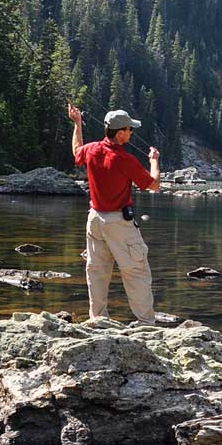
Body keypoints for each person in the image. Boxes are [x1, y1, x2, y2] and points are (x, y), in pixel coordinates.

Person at [67, 102, 160, 323]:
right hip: (118, 222)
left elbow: (76, 151)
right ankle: (147, 324)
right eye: (129, 129)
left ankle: (97, 321)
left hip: (94, 220)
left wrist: (77, 124)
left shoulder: (91, 150)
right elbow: (154, 185)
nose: (131, 132)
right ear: (120, 133)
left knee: (97, 271)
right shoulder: (125, 160)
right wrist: (154, 161)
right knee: (136, 272)